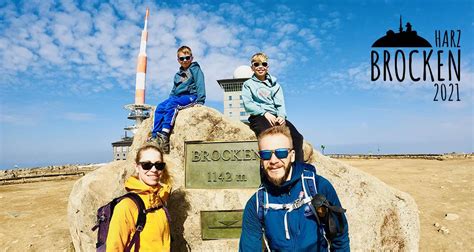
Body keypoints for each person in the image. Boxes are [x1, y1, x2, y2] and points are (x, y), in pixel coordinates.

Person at [239, 126, 350, 251]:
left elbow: (340, 237)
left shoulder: (318, 186)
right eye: (266, 154)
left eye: (281, 153)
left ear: (292, 156)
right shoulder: (257, 203)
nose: (273, 160)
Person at [106, 144, 172, 251]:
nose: (154, 169)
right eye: (147, 165)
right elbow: (114, 248)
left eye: (159, 165)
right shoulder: (126, 206)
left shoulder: (159, 199)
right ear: (137, 167)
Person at [241, 52, 304, 162]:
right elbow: (248, 104)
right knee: (270, 136)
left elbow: (280, 104)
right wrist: (264, 113)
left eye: (264, 64)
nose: (260, 67)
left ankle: (299, 168)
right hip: (259, 116)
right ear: (252, 68)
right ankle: (269, 166)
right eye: (256, 64)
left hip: (275, 116)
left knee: (298, 137)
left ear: (267, 67)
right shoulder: (248, 84)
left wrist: (281, 116)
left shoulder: (276, 85)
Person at [149, 46, 206, 153]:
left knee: (172, 104)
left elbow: (200, 83)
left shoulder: (195, 69)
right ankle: (155, 135)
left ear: (191, 58)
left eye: (187, 58)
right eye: (182, 58)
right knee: (160, 107)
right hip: (177, 97)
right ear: (178, 60)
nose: (185, 61)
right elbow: (174, 89)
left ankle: (165, 133)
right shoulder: (177, 75)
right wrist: (169, 99)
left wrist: (200, 100)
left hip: (190, 96)